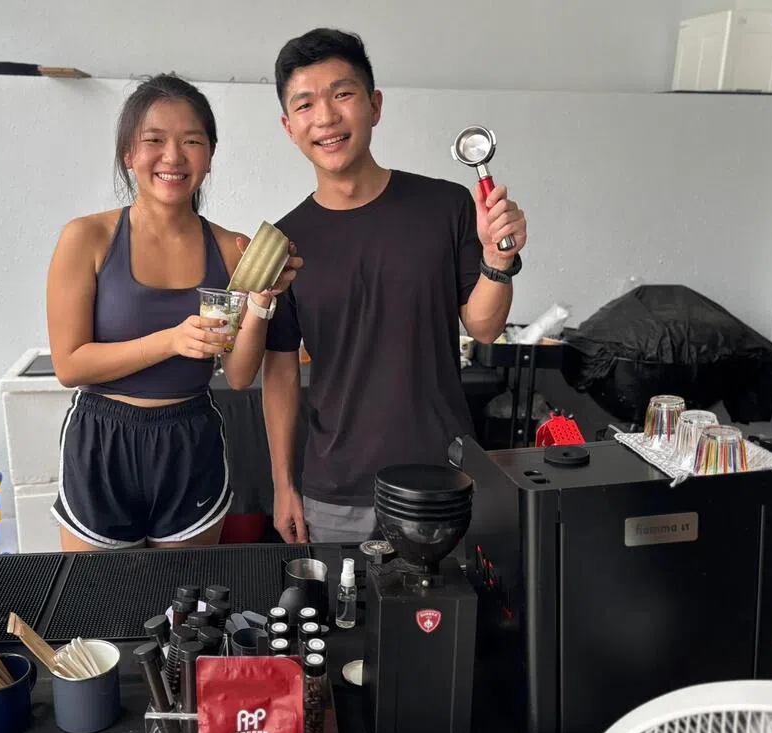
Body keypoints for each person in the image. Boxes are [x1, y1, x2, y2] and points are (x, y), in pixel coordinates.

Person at [228, 29, 529, 544]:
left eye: (342, 94)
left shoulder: (446, 206)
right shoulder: (286, 242)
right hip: (334, 490)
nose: (326, 117)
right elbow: (279, 373)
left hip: (442, 479)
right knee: (342, 601)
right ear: (288, 126)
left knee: (452, 599)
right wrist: (283, 484)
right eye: (305, 104)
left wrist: (498, 259)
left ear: (375, 106)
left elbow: (483, 326)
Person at [45, 73, 302, 551]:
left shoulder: (232, 248)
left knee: (188, 594)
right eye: (154, 140)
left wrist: (262, 302)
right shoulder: (86, 238)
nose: (173, 157)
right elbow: (69, 364)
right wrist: (170, 340)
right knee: (95, 593)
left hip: (190, 439)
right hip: (103, 439)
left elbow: (239, 375)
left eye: (192, 141)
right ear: (129, 153)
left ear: (209, 155)